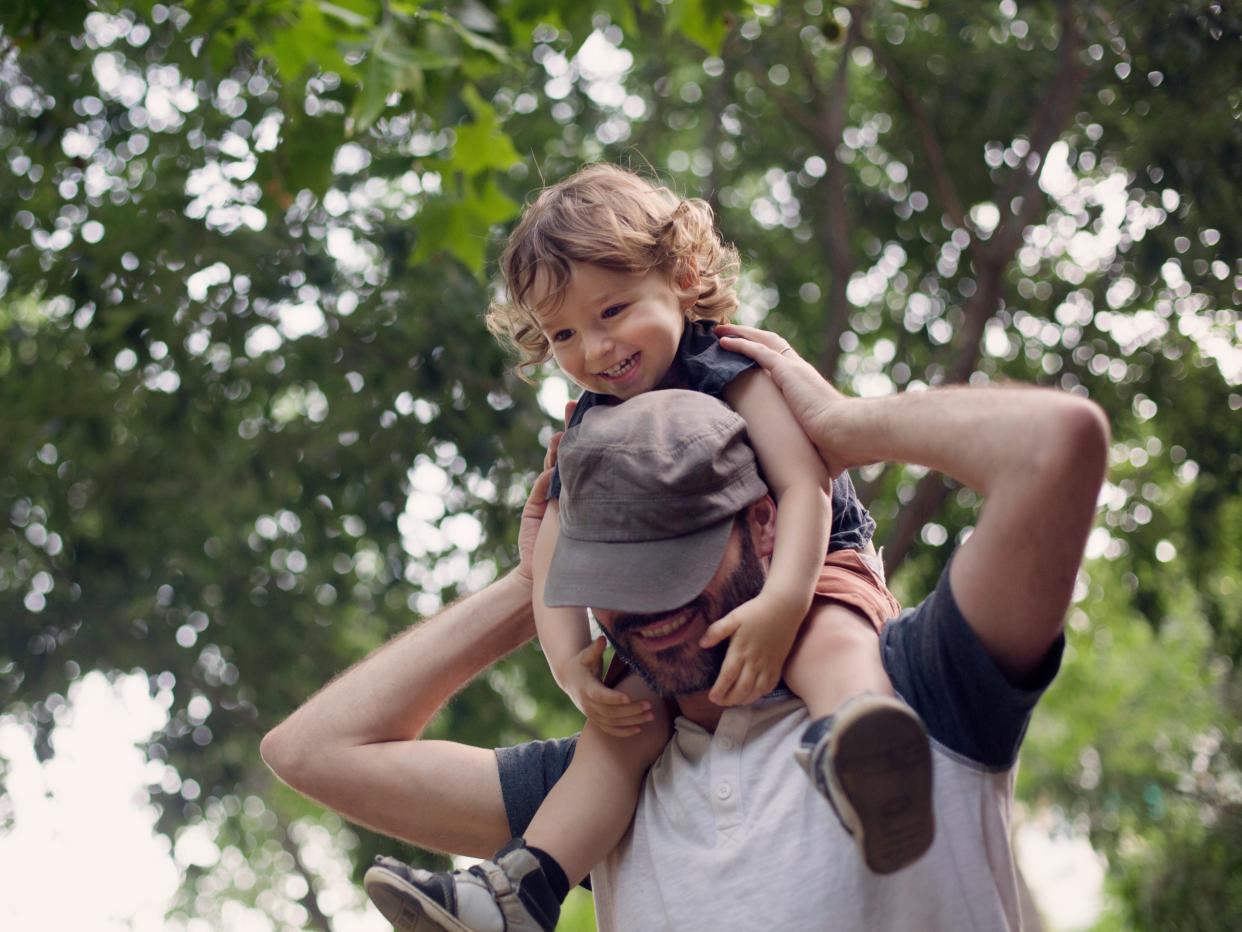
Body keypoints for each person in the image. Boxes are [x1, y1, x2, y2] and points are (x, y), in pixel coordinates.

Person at [260, 327, 1109, 931]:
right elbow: (311, 751)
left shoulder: (924, 687)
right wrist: (535, 585)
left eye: (671, 560)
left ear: (766, 529)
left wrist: (847, 428)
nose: (645, 612)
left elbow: (1059, 444)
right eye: (614, 579)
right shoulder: (612, 778)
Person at [442, 164, 929, 909]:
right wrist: (571, 666)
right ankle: (524, 887)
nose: (595, 350)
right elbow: (550, 556)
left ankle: (865, 750)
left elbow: (803, 487)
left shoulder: (727, 365)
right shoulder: (591, 426)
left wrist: (784, 605)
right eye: (563, 333)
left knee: (828, 640)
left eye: (612, 312)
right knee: (621, 731)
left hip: (812, 558)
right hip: (673, 608)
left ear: (682, 274)